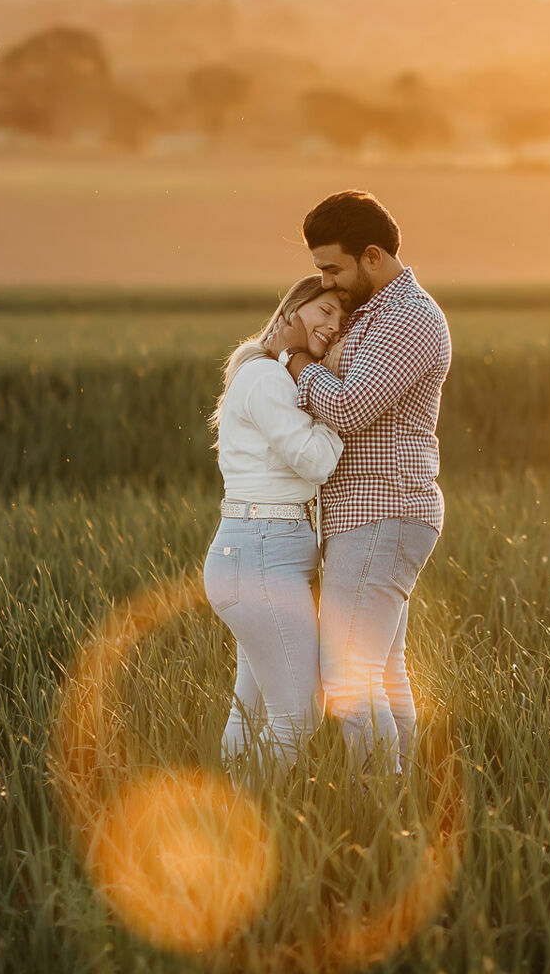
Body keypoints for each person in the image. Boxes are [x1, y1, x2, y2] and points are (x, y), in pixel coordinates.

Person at [276, 190, 451, 774]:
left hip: (384, 509)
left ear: (372, 255)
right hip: (371, 514)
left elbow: (349, 407)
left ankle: (377, 804)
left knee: (347, 676)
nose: (327, 282)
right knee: (381, 670)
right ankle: (405, 797)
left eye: (333, 267)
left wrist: (292, 361)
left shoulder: (410, 317)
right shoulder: (377, 312)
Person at [204, 276, 347, 773]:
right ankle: (245, 818)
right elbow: (314, 461)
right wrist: (336, 416)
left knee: (253, 709)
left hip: (257, 554)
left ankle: (226, 816)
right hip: (262, 555)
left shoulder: (263, 374)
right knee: (300, 715)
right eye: (324, 310)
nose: (332, 325)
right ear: (294, 307)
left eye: (340, 320)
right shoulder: (267, 377)